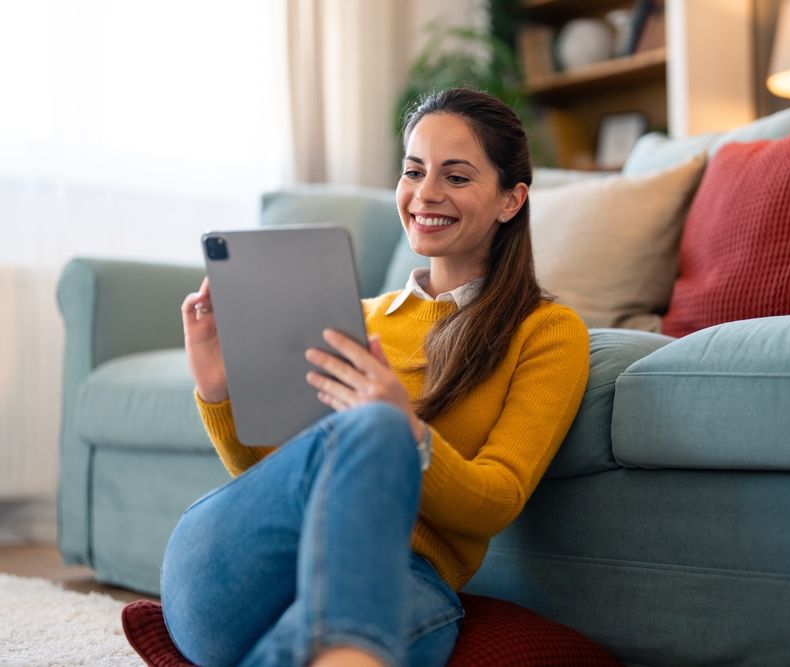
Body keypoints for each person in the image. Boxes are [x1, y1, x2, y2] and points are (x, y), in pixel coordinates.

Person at [160, 87, 591, 667]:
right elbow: (274, 476)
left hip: (405, 575)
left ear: (511, 201)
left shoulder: (547, 332)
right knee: (374, 431)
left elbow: (497, 501)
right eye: (414, 171)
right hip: (230, 573)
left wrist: (405, 428)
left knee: (384, 435)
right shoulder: (355, 317)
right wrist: (218, 390)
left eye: (457, 177)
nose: (426, 194)